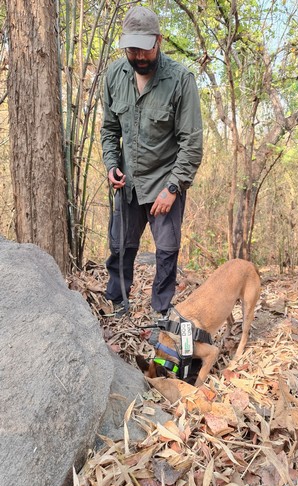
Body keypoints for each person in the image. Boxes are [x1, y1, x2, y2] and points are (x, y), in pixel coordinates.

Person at [101, 5, 203, 318]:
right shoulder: (114, 77)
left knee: (168, 251)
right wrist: (110, 164)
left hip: (165, 182)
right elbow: (109, 130)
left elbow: (192, 143)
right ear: (125, 46)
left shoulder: (180, 80)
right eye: (133, 50)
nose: (140, 57)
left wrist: (173, 188)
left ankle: (161, 310)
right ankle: (117, 304)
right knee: (120, 247)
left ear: (158, 41)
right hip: (128, 183)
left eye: (145, 50)